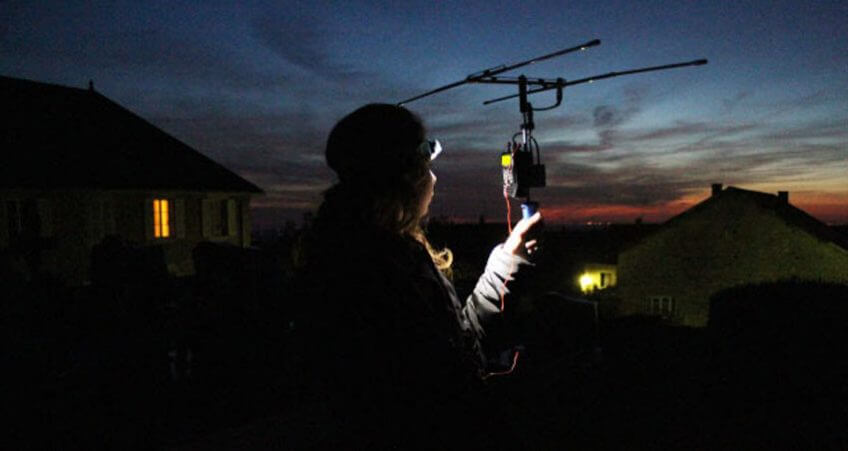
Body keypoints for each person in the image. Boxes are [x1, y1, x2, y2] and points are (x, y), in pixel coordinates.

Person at [292, 103, 542, 448]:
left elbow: (457, 344)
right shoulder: (376, 273)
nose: (434, 176)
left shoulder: (374, 250)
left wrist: (503, 264)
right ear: (403, 179)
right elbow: (441, 382)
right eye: (426, 164)